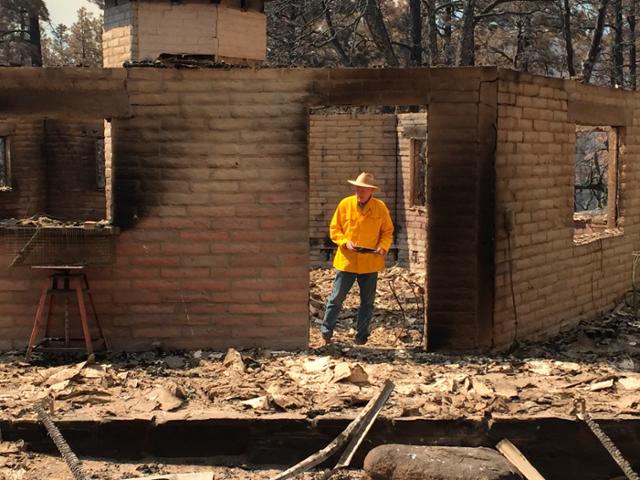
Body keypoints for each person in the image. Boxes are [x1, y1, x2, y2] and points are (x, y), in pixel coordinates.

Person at [320, 172, 394, 345]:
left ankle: (362, 337)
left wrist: (383, 246)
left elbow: (387, 232)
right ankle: (326, 332)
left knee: (367, 302)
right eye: (357, 189)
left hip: (370, 262)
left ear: (371, 191)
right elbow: (334, 229)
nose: (359, 192)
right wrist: (345, 242)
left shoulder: (380, 207)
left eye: (363, 189)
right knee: (336, 298)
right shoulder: (345, 204)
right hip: (347, 261)